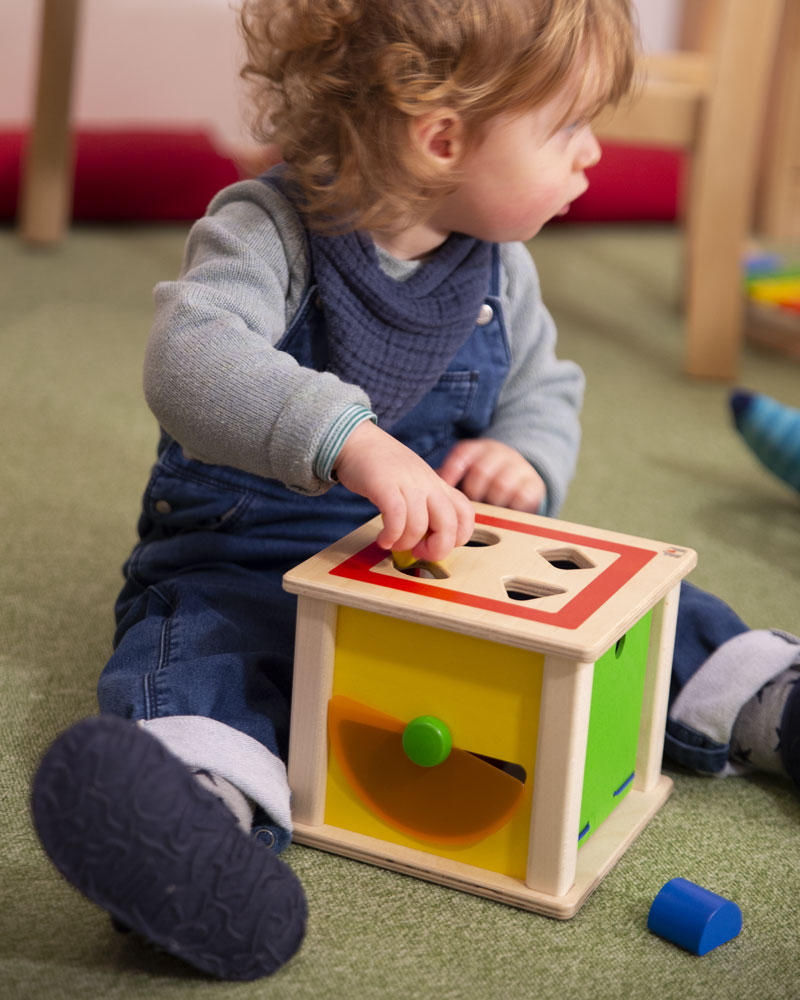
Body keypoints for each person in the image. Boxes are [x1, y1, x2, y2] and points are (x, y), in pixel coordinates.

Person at [31, 0, 800, 983]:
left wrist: (524, 453)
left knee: (620, 611)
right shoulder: (265, 228)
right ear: (442, 138)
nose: (592, 155)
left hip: (437, 560)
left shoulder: (499, 268)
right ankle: (197, 819)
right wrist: (348, 439)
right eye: (566, 127)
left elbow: (543, 386)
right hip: (248, 546)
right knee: (204, 648)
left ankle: (763, 696)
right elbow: (189, 358)